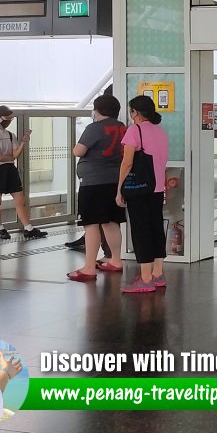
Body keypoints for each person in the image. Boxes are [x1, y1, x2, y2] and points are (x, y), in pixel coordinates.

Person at [67, 96, 127, 282]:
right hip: (114, 181)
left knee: (91, 224)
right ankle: (116, 260)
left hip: (93, 182)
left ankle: (89, 267)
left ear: (97, 110)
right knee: (110, 222)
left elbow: (78, 151)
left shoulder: (94, 128)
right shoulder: (122, 127)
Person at [115, 96, 170, 294]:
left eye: (131, 111)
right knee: (156, 227)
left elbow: (127, 162)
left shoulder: (134, 130)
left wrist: (119, 188)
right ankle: (157, 274)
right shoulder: (160, 131)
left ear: (135, 112)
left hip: (139, 188)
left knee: (141, 231)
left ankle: (145, 278)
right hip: (156, 188)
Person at [0, 106, 47, 241]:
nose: (9, 121)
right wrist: (9, 157)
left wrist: (24, 142)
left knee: (20, 199)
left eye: (11, 118)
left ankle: (28, 228)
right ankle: (0, 228)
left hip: (9, 169)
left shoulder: (10, 135)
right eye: (7, 118)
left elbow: (14, 155)